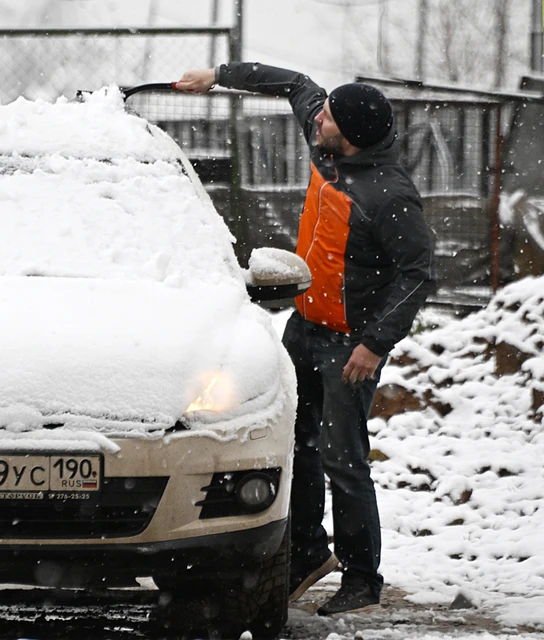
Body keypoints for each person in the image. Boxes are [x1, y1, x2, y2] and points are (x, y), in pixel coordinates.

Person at [174, 64, 437, 616]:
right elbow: (295, 83)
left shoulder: (388, 194)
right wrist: (217, 77)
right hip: (303, 327)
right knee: (296, 444)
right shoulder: (328, 146)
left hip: (349, 346)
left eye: (329, 117)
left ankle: (362, 578)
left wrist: (375, 343)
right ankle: (309, 551)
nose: (318, 117)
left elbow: (417, 273)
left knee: (344, 460)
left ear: (354, 134)